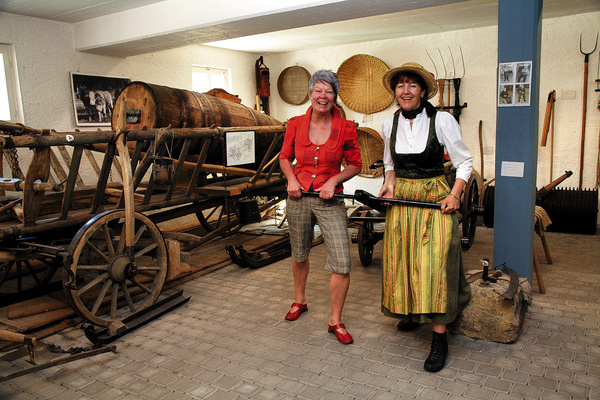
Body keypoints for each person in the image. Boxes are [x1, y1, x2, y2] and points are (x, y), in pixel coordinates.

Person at [378, 62, 473, 372]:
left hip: (434, 198)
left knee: (434, 266)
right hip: (403, 200)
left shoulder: (442, 120)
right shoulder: (388, 124)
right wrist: (388, 186)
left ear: (421, 91)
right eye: (400, 85)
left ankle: (439, 337)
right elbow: (390, 164)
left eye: (412, 85)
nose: (405, 90)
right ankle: (411, 310)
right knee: (403, 258)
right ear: (395, 92)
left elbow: (465, 162)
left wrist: (454, 194)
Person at [279, 69, 362, 345]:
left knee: (342, 261)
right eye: (318, 90)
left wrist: (334, 180)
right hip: (298, 198)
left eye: (328, 91)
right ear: (311, 94)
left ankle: (335, 319)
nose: (322, 96)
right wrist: (291, 178)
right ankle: (300, 300)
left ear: (334, 97)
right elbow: (284, 157)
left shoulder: (347, 128)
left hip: (330, 200)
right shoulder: (294, 124)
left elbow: (354, 163)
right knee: (299, 252)